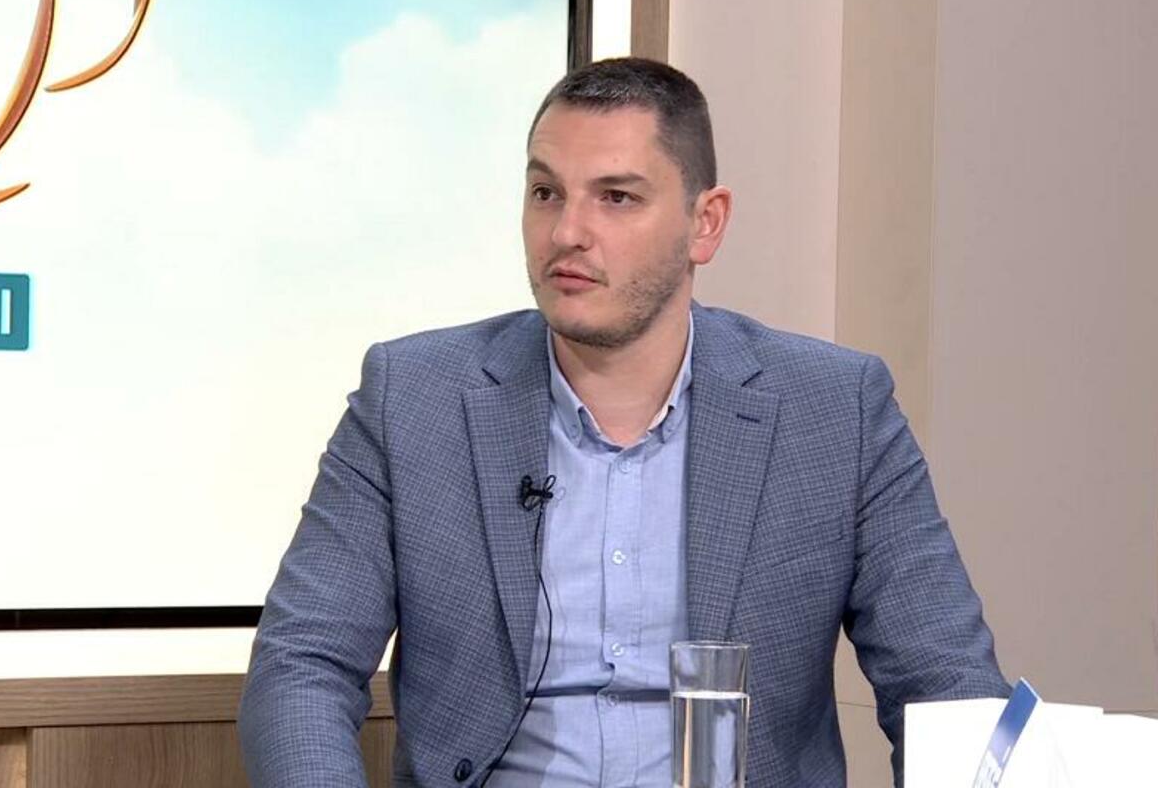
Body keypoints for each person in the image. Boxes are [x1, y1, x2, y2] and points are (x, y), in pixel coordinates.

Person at [238, 57, 1009, 787]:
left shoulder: (835, 411)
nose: (566, 232)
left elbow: (947, 685)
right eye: (546, 193)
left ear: (705, 223)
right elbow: (303, 663)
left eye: (616, 197)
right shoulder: (412, 399)